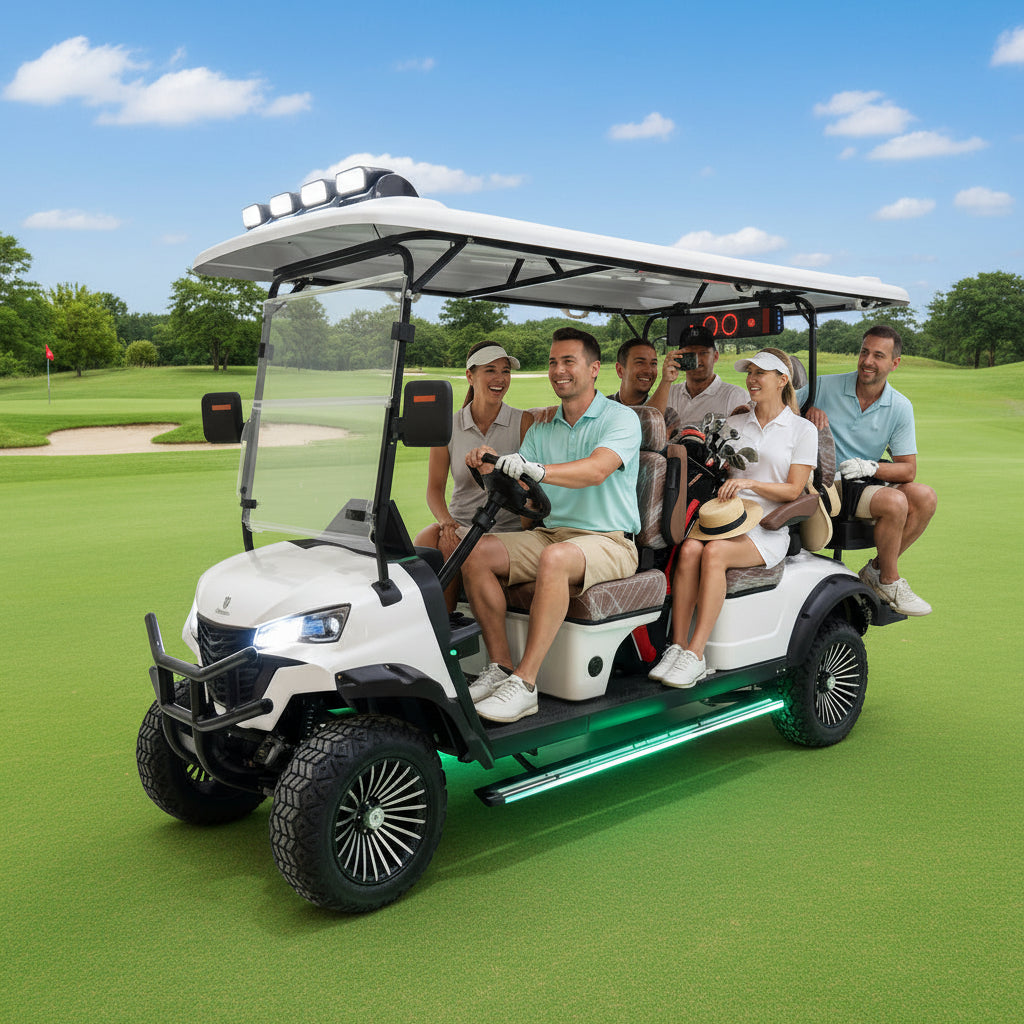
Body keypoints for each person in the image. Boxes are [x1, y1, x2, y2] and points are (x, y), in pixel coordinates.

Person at [461, 326, 642, 723]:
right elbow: (522, 482)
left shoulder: (621, 419)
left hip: (609, 540)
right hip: (552, 534)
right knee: (474, 552)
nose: (559, 370)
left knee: (556, 558)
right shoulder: (543, 426)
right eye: (553, 362)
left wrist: (537, 470)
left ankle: (525, 685)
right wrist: (490, 461)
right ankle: (502, 667)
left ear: (594, 369)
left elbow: (597, 470)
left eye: (568, 362)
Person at [650, 349, 817, 689]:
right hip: (726, 518)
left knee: (714, 553)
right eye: (750, 372)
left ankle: (696, 655)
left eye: (761, 373)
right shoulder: (736, 422)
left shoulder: (801, 430)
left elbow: (793, 489)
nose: (752, 379)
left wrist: (749, 482)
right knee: (690, 550)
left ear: (782, 380)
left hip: (769, 524)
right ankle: (678, 646)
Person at [798, 325, 935, 616]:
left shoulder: (899, 406)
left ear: (894, 363)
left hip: (862, 480)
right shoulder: (824, 386)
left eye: (878, 355)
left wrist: (871, 466)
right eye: (864, 352)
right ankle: (889, 579)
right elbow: (779, 408)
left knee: (925, 498)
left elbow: (908, 470)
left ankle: (875, 570)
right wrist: (804, 412)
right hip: (826, 483)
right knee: (895, 501)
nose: (868, 361)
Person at [414, 342, 534, 610]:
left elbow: (528, 488)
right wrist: (446, 523)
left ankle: (444, 627)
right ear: (470, 376)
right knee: (425, 540)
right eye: (490, 370)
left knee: (452, 548)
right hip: (458, 525)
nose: (500, 379)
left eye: (505, 371)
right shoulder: (449, 425)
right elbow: (434, 489)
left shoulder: (523, 422)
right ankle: (430, 625)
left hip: (503, 530)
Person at [649, 325, 748, 426]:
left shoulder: (735, 396)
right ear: (679, 357)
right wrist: (665, 381)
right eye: (690, 354)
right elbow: (646, 423)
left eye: (703, 353)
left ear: (715, 356)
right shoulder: (668, 393)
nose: (698, 361)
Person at [608, 337, 681, 437]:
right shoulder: (603, 409)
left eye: (653, 364)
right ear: (620, 370)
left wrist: (666, 381)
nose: (648, 370)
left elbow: (648, 434)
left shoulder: (668, 417)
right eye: (640, 363)